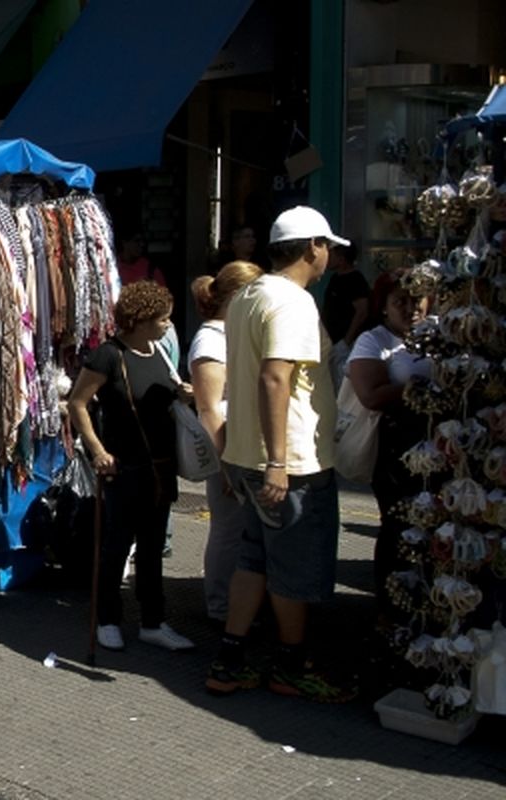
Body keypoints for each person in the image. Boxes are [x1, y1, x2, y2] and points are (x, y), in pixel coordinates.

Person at [205, 206, 354, 703]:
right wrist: (277, 461)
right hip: (289, 463)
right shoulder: (292, 301)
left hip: (251, 455)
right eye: (327, 246)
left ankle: (230, 657)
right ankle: (291, 666)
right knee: (292, 568)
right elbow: (275, 376)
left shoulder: (249, 295)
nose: (329, 254)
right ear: (312, 247)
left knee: (255, 557)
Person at [67, 281, 196, 653]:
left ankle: (153, 622)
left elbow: (166, 396)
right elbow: (78, 404)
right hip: (124, 468)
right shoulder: (108, 355)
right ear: (140, 320)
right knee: (117, 546)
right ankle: (108, 618)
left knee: (153, 548)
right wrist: (97, 450)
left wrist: (183, 393)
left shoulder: (160, 351)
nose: (168, 325)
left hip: (161, 466)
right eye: (163, 319)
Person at [346, 270, 431, 623]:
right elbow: (370, 396)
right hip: (397, 448)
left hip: (439, 444)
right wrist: (419, 386)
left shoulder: (439, 332)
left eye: (417, 300)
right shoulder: (373, 341)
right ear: (384, 307)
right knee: (397, 525)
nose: (411, 309)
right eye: (401, 302)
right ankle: (391, 608)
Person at [187, 261, 266, 621]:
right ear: (237, 297)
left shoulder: (234, 334)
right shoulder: (210, 341)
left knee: (243, 529)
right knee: (229, 529)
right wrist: (227, 462)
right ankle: (219, 605)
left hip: (244, 447)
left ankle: (234, 600)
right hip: (228, 450)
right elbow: (209, 408)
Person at [322, 244, 369, 391]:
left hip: (346, 344)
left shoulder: (355, 280)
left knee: (343, 387)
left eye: (333, 255)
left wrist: (347, 340)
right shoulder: (335, 278)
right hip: (332, 343)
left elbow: (362, 311)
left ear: (342, 259)